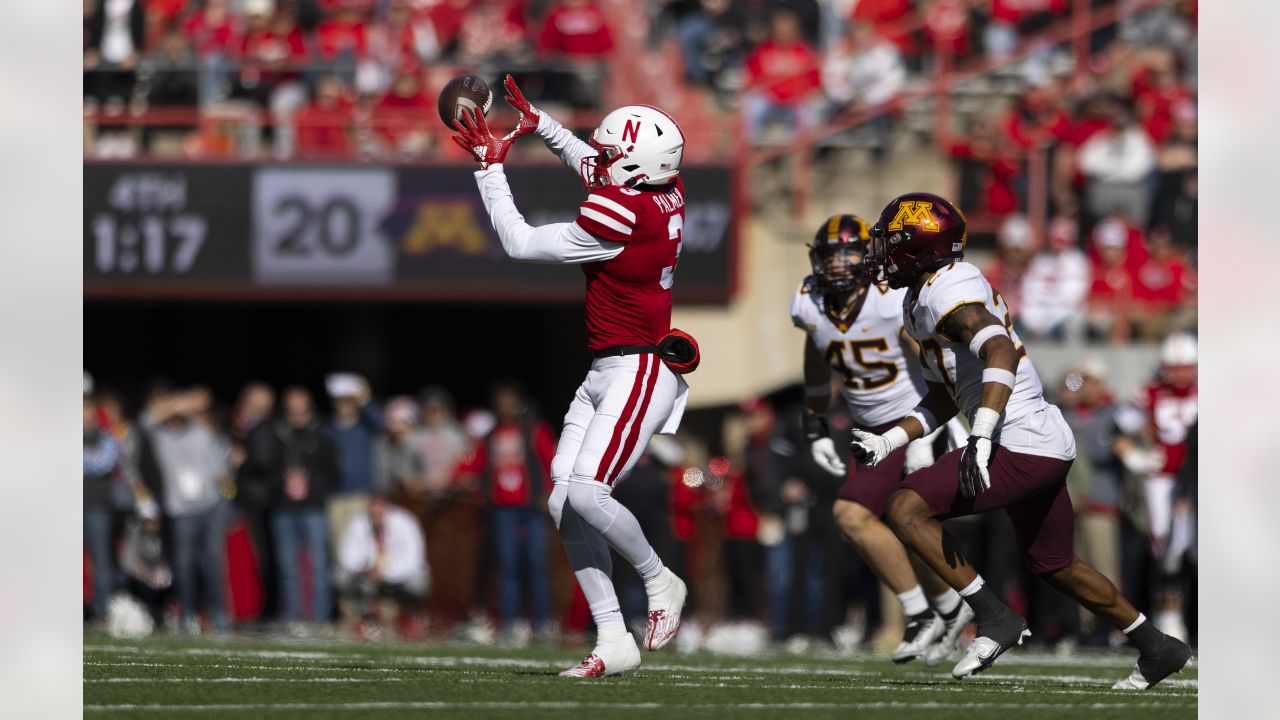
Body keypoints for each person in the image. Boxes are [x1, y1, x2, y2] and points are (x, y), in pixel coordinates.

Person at [851, 192, 1191, 688]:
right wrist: (890, 440)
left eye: (892, 242)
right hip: (1041, 439)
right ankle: (1157, 646)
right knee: (1056, 564)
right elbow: (947, 399)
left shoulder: (948, 291)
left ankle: (994, 617)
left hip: (1020, 439)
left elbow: (999, 350)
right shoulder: (919, 298)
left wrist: (983, 433)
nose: (881, 253)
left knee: (906, 508)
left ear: (920, 249)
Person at [450, 76, 697, 677]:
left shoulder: (621, 212)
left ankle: (660, 580)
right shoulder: (662, 189)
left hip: (638, 366)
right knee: (564, 502)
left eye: (614, 155)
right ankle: (613, 637)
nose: (602, 160)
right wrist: (542, 125)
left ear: (636, 166)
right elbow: (592, 162)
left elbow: (518, 241)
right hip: (612, 365)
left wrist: (489, 168)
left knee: (588, 492)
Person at [792, 214, 971, 665]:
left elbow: (934, 358)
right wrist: (814, 419)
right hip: (869, 431)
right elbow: (817, 356)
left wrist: (956, 414)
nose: (838, 265)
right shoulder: (809, 302)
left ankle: (929, 613)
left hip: (912, 425)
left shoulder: (889, 300)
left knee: (867, 517)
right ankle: (944, 609)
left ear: (866, 257)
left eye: (849, 254)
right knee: (891, 525)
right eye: (830, 256)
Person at [1115, 333, 1198, 641]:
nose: (1180, 373)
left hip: (1201, 480)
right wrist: (1135, 455)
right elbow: (1120, 430)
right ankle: (1170, 615)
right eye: (1174, 367)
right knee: (1167, 548)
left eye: (1187, 367)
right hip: (1163, 480)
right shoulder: (1151, 391)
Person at [242, 386, 340, 628]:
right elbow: (263, 467)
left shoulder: (322, 436)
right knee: (287, 567)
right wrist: (280, 482)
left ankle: (319, 618)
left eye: (301, 409)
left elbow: (332, 471)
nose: (296, 414)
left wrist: (314, 487)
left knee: (318, 566)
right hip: (283, 508)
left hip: (313, 507)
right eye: (291, 410)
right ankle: (293, 617)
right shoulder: (276, 434)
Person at [141, 387, 231, 634]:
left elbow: (221, 470)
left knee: (213, 563)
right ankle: (187, 613)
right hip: (181, 511)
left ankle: (218, 613)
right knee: (184, 564)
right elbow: (146, 420)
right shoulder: (161, 438)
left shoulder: (202, 432)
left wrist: (228, 498)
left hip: (210, 506)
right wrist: (180, 401)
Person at [336, 494, 429, 639]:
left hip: (396, 576)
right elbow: (347, 556)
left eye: (380, 510)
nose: (377, 515)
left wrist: (386, 572)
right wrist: (367, 569)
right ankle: (366, 620)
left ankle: (414, 616)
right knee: (341, 576)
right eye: (373, 511)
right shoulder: (358, 523)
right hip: (368, 576)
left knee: (418, 580)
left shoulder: (405, 522)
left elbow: (413, 559)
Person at [325, 373, 383, 559]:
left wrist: (365, 400)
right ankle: (343, 588)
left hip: (362, 496)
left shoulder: (365, 427)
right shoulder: (326, 429)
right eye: (340, 400)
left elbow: (381, 422)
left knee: (365, 547)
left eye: (349, 400)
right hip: (335, 498)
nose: (344, 405)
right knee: (339, 548)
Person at [84, 387, 121, 623]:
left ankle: (101, 611)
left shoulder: (105, 436)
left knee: (101, 560)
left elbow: (104, 462)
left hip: (97, 505)